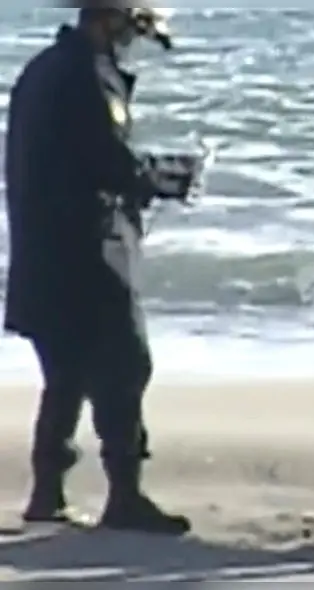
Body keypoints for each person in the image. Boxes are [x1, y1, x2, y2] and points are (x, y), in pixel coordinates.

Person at [3, 2, 198, 535]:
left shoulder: (43, 69)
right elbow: (110, 163)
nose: (135, 42)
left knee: (64, 374)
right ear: (110, 22)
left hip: (42, 254)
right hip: (90, 254)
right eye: (135, 30)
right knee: (125, 368)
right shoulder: (90, 77)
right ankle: (125, 496)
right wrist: (171, 175)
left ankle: (48, 494)